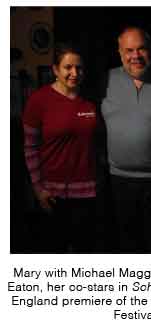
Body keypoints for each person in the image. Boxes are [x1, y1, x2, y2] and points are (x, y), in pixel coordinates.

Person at [101, 26, 151, 253]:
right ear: (119, 52)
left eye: (141, 49)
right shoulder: (105, 80)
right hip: (117, 181)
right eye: (129, 50)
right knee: (125, 247)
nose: (135, 56)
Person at [23, 42, 98, 253]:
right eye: (68, 67)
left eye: (79, 67)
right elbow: (30, 148)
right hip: (52, 194)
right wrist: (38, 189)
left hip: (88, 193)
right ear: (55, 70)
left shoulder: (92, 100)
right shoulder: (38, 100)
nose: (75, 73)